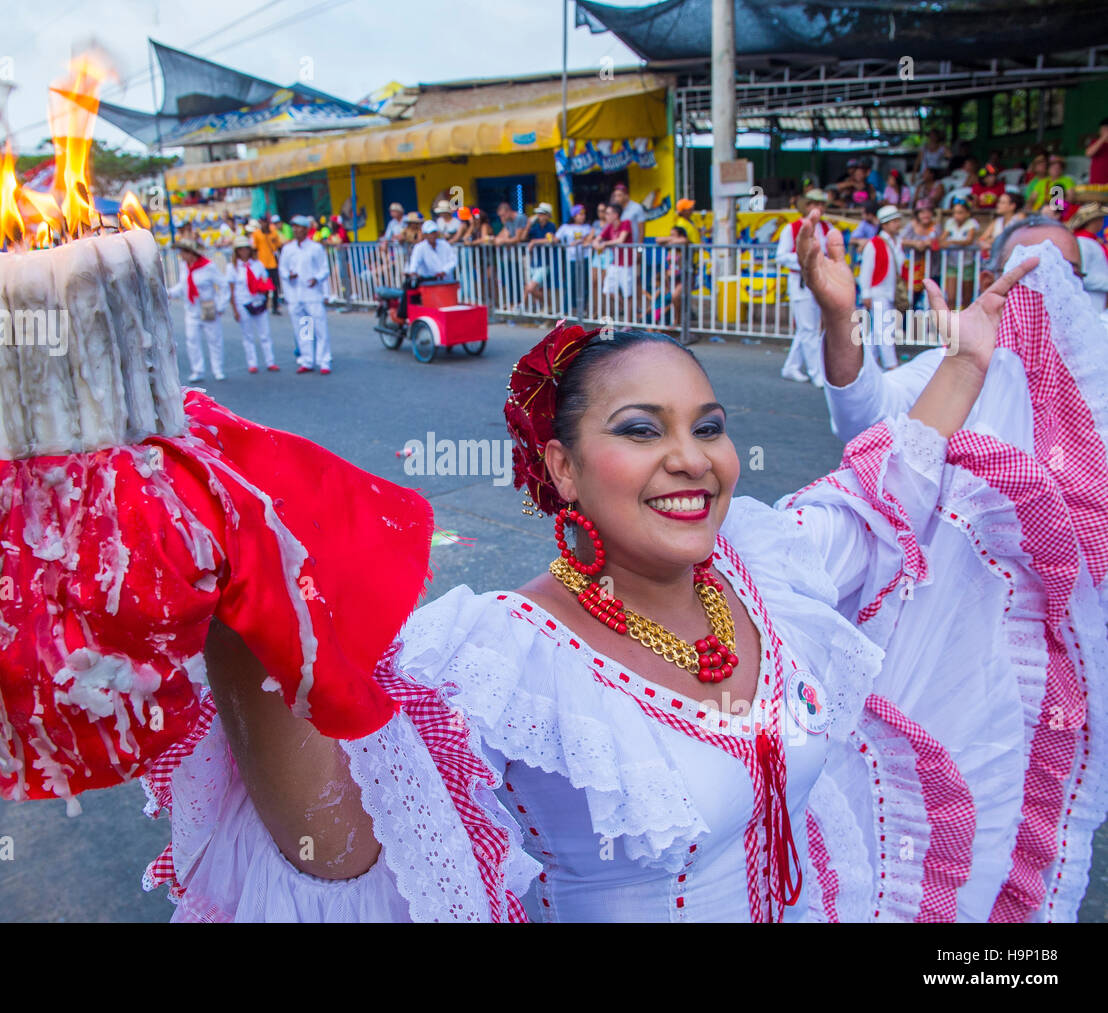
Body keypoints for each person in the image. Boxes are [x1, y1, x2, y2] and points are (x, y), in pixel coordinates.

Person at [150, 231, 1108, 924]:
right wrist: (239, 586)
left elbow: (882, 482)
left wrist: (968, 361)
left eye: (709, 425)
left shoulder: (765, 567)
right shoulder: (501, 657)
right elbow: (351, 843)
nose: (690, 457)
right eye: (641, 430)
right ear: (562, 469)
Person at [819, 213, 1085, 443]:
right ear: (988, 281)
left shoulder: (1094, 370)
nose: (1056, 287)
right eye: (1038, 274)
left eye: (1069, 273)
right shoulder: (955, 363)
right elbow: (865, 421)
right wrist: (841, 317)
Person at [775, 189, 833, 386]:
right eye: (815, 204)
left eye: (822, 204)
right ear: (807, 206)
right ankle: (816, 372)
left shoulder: (827, 227)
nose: (819, 208)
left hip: (819, 281)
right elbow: (781, 256)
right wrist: (805, 261)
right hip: (801, 283)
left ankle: (791, 367)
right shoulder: (792, 228)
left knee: (807, 328)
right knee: (808, 329)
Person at [278, 215, 332, 374]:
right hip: (296, 294)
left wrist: (317, 279)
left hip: (313, 294)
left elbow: (324, 269)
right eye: (293, 226)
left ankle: (324, 361)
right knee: (304, 329)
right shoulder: (288, 249)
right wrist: (289, 275)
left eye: (299, 226)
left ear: (306, 229)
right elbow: (282, 268)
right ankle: (307, 359)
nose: (295, 229)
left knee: (321, 329)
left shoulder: (315, 248)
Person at [167, 243, 228, 383]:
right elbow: (183, 286)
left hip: (207, 306)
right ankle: (197, 370)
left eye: (183, 252)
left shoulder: (208, 267)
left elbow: (223, 285)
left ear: (191, 253)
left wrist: (220, 306)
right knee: (192, 339)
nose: (181, 256)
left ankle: (218, 369)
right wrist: (170, 293)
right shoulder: (184, 267)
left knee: (214, 339)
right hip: (192, 307)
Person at [856, 205, 906, 371]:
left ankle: (868, 366)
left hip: (888, 292)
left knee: (877, 332)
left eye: (898, 220)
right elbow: (866, 270)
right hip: (877, 292)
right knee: (883, 330)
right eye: (894, 221)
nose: (897, 224)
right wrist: (866, 293)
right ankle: (891, 366)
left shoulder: (896, 242)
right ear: (884, 224)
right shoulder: (874, 244)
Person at [227, 238, 279, 374]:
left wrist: (267, 299)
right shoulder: (232, 268)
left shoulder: (257, 264)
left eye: (246, 248)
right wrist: (235, 309)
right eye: (241, 249)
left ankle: (270, 361)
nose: (244, 251)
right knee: (248, 335)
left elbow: (265, 282)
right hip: (243, 302)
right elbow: (231, 290)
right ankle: (252, 362)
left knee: (265, 333)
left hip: (258, 301)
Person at [592, 200, 636, 317]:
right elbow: (598, 238)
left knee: (628, 293)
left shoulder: (625, 223)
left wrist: (605, 244)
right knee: (607, 290)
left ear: (615, 215)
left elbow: (621, 240)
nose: (605, 216)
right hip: (615, 263)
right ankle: (624, 308)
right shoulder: (609, 227)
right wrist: (596, 243)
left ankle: (628, 322)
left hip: (627, 263)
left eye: (608, 213)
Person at [1068, 202, 1108, 321]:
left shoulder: (1090, 241)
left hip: (1096, 300)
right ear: (1093, 221)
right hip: (1090, 301)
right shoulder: (1083, 243)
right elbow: (1081, 275)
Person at [899, 202, 942, 310]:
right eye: (922, 212)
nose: (925, 215)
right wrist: (915, 243)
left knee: (933, 301)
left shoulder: (935, 226)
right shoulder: (911, 225)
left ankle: (932, 326)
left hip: (933, 269)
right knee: (911, 301)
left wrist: (928, 243)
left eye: (928, 212)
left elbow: (938, 240)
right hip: (914, 270)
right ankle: (906, 325)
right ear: (917, 214)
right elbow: (900, 240)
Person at [941, 198, 982, 306]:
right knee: (951, 297)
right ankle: (951, 321)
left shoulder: (972, 223)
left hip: (967, 264)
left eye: (960, 212)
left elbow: (969, 240)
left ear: (967, 213)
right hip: (952, 264)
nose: (956, 215)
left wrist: (951, 242)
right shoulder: (950, 223)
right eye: (954, 212)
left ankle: (963, 321)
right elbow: (942, 240)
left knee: (967, 297)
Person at [554, 203, 593, 318]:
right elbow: (556, 239)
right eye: (580, 214)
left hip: (585, 258)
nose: (582, 216)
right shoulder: (565, 227)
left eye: (584, 214)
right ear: (574, 215)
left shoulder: (588, 228)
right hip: (571, 259)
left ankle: (582, 309)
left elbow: (591, 239)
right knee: (570, 284)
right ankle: (567, 309)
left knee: (584, 284)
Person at [523, 202, 557, 306]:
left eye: (542, 214)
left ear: (548, 215)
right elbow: (524, 237)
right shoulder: (536, 227)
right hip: (534, 263)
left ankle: (549, 305)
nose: (539, 216)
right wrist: (528, 225)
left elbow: (550, 239)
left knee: (530, 288)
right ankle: (546, 308)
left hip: (544, 263)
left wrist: (534, 242)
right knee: (532, 288)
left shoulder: (551, 226)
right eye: (539, 213)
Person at [250, 218, 284, 316]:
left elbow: (278, 245)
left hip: (273, 262)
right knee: (264, 286)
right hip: (262, 263)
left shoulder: (273, 233)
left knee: (275, 286)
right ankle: (264, 305)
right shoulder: (256, 234)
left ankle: (275, 306)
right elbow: (254, 248)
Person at [977, 190, 1023, 259]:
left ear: (1012, 206)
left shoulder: (1019, 217)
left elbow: (1012, 237)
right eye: (999, 202)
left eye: (1002, 203)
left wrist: (991, 241)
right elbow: (981, 239)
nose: (998, 205)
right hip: (996, 259)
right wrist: (986, 243)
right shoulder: (996, 221)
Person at [1085, 118, 1108, 185]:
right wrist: (1103, 138)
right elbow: (1088, 153)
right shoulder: (1095, 142)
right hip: (1097, 183)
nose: (1106, 131)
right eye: (1104, 129)